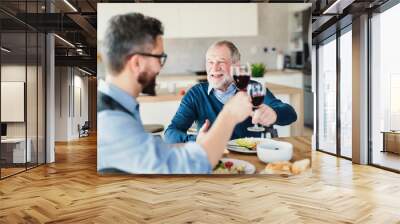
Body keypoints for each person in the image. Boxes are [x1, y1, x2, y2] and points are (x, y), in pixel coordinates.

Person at [97, 13, 253, 174]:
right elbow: (186, 165)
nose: (160, 67)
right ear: (137, 62)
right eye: (159, 58)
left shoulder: (116, 108)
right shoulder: (111, 120)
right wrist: (229, 115)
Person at [164, 40, 297, 144]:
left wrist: (274, 114)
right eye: (210, 62)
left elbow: (290, 113)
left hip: (252, 161)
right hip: (213, 161)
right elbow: (170, 133)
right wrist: (195, 140)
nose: (214, 68)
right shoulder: (196, 94)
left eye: (221, 62)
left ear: (236, 65)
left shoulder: (252, 88)